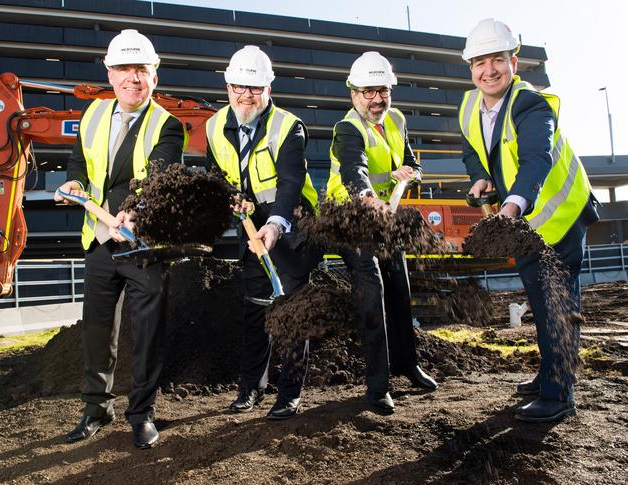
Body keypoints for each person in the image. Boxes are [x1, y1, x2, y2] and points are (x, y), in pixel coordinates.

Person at [459, 19, 598, 422]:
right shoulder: (469, 105)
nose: (489, 70)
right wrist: (479, 178)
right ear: (470, 68)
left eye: (497, 60)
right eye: (480, 62)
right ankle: (547, 376)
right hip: (523, 226)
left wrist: (511, 208)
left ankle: (559, 396)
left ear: (514, 62)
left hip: (560, 219)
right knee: (539, 300)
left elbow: (538, 159)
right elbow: (471, 149)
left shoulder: (531, 104)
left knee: (557, 304)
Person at [54, 29, 186, 448]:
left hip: (142, 244)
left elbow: (160, 177)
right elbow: (78, 161)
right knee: (95, 330)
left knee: (146, 332)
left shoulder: (168, 125)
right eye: (125, 69)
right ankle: (96, 408)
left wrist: (132, 210)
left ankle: (142, 413)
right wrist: (74, 183)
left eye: (142, 70)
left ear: (155, 76)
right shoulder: (93, 114)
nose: (133, 78)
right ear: (109, 74)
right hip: (98, 241)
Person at [205, 45, 319, 420]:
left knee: (291, 313)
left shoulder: (289, 126)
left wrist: (275, 224)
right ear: (227, 86)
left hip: (291, 226)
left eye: (254, 88)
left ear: (269, 89)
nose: (246, 95)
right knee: (255, 311)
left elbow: (290, 183)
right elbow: (218, 175)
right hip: (251, 229)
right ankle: (251, 386)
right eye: (239, 87)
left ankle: (290, 393)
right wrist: (230, 197)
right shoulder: (214, 124)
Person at [326, 51, 438, 416]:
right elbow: (354, 171)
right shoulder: (347, 129)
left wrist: (411, 171)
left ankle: (407, 363)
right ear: (353, 94)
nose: (377, 100)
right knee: (371, 294)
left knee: (399, 289)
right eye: (368, 92)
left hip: (385, 214)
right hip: (351, 217)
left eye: (383, 91)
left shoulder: (397, 119)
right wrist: (368, 199)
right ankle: (378, 385)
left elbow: (409, 159)